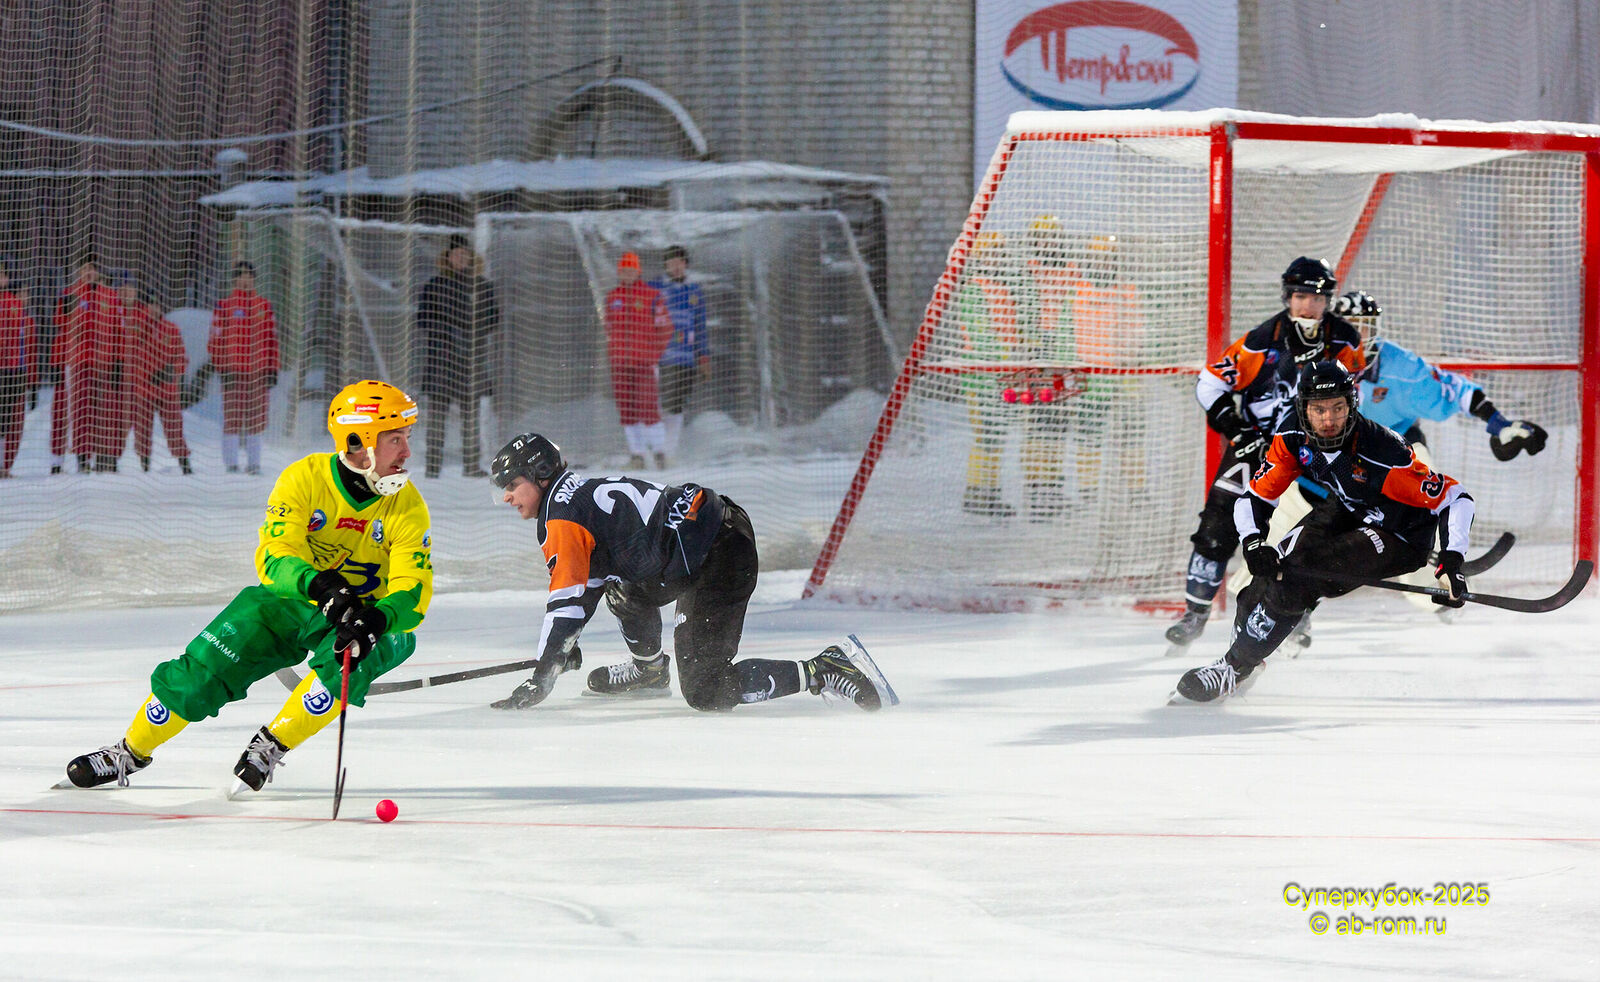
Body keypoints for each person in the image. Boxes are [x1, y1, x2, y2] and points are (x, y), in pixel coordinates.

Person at [64, 380, 433, 790]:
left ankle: (272, 744)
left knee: (348, 660)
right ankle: (129, 752)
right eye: (395, 439)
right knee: (205, 668)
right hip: (296, 599)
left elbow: (413, 589)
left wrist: (378, 619)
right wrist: (318, 585)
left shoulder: (408, 507)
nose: (407, 452)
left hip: (373, 617)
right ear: (357, 441)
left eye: (406, 437)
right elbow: (274, 557)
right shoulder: (306, 478)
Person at [486, 432, 897, 713]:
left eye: (512, 485)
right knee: (619, 587)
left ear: (540, 475)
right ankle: (649, 670)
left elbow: (567, 606)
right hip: (705, 538)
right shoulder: (575, 496)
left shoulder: (561, 519)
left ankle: (824, 668)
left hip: (718, 556)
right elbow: (586, 589)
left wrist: (542, 676)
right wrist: (557, 653)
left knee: (706, 690)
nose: (506, 496)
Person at [1230, 290, 1548, 638]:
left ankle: (1441, 578)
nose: (1356, 336)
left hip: (1392, 461)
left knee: (1413, 509)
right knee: (1279, 534)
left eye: (1364, 326)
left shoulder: (1401, 368)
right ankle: (1277, 612)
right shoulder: (1310, 364)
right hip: (1320, 467)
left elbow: (1453, 389)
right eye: (1348, 326)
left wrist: (1500, 425)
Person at [1171, 361, 1475, 703]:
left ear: (1352, 405)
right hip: (1348, 507)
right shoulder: (1292, 436)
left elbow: (1456, 497)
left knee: (1297, 576)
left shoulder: (1383, 451)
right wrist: (1254, 543)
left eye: (1337, 409)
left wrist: (1452, 560)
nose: (1329, 420)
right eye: (1319, 410)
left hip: (1399, 533)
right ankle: (1247, 662)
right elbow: (1255, 498)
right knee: (1268, 570)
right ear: (1303, 408)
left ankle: (1234, 668)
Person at [1164, 257, 1365, 653]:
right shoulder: (1261, 340)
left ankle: (1298, 611)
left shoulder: (1345, 339)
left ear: (1328, 301)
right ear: (1288, 297)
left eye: (1317, 298)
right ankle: (1195, 613)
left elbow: (1351, 398)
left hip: (1314, 453)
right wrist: (1238, 430)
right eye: (1301, 296)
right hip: (1257, 447)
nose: (1308, 306)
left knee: (1311, 534)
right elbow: (1209, 384)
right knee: (1218, 522)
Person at [415, 234, 501, 478]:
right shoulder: (435, 285)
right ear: (448, 257)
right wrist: (447, 330)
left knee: (470, 416)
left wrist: (472, 330)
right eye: (456, 254)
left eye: (465, 255)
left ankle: (471, 466)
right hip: (441, 360)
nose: (461, 259)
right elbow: (423, 319)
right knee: (437, 416)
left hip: (470, 360)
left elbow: (494, 318)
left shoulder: (482, 286)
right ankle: (433, 467)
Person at [954, 229, 1026, 517]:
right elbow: (981, 336)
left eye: (1000, 253)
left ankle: (991, 492)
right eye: (992, 253)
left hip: (1001, 374)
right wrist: (1006, 359)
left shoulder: (1001, 288)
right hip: (981, 375)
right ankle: (977, 492)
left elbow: (1010, 331)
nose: (998, 258)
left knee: (997, 435)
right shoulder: (975, 288)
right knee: (985, 435)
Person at [52, 253, 127, 473]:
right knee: (81, 411)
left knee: (105, 411)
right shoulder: (71, 293)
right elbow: (60, 325)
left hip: (104, 363)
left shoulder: (110, 296)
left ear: (98, 272)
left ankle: (104, 457)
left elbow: (119, 331)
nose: (89, 273)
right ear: (79, 272)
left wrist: (119, 361)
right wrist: (64, 308)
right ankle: (82, 458)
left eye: (92, 269)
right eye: (85, 269)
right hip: (78, 362)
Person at [209, 260, 280, 475]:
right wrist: (222, 368)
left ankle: (254, 463)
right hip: (233, 371)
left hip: (258, 372)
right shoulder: (224, 306)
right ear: (234, 279)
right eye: (240, 275)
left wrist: (272, 368)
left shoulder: (264, 306)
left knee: (256, 418)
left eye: (249, 275)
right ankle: (231, 463)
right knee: (232, 416)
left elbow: (272, 339)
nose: (245, 279)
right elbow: (215, 340)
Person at [603, 252, 672, 468]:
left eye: (631, 270)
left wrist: (654, 354)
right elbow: (608, 327)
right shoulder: (613, 297)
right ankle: (637, 454)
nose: (627, 274)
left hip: (645, 362)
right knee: (627, 409)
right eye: (623, 270)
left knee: (648, 407)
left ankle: (660, 452)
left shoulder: (652, 296)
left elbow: (665, 328)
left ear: (638, 271)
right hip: (621, 363)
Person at [119, 281, 192, 475]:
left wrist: (172, 371)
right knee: (142, 430)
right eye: (150, 304)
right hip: (145, 389)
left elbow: (182, 357)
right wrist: (147, 376)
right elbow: (131, 358)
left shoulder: (172, 329)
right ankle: (145, 465)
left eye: (157, 305)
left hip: (168, 389)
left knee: (174, 428)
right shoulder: (136, 328)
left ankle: (185, 464)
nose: (154, 309)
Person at [650, 244, 710, 465]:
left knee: (676, 406)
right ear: (665, 266)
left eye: (679, 263)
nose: (675, 267)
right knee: (655, 407)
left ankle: (668, 455)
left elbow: (700, 326)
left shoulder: (694, 291)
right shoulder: (654, 287)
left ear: (685, 265)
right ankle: (652, 451)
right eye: (671, 263)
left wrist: (703, 356)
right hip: (659, 359)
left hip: (685, 359)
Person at [0, 262, 36, 478]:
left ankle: (4, 465)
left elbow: (24, 345)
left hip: (12, 369)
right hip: (8, 366)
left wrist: (32, 380)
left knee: (9, 419)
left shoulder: (13, 305)